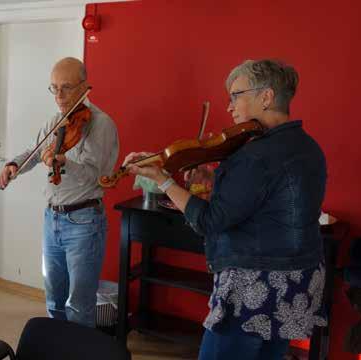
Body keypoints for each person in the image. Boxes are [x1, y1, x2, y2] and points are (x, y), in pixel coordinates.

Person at [124, 59, 326, 360]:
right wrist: (214, 179)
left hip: (254, 288)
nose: (230, 107)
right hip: (297, 283)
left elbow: (209, 220)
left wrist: (163, 180)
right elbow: (264, 202)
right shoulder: (309, 146)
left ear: (266, 97)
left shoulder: (253, 155)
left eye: (236, 95)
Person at [0, 57, 119, 327]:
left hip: (84, 221)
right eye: (54, 88)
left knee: (79, 305)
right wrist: (14, 164)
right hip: (52, 219)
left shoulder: (101, 124)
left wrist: (65, 162)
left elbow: (96, 176)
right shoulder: (57, 120)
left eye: (66, 87)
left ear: (85, 86)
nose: (59, 95)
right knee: (53, 300)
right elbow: (35, 150)